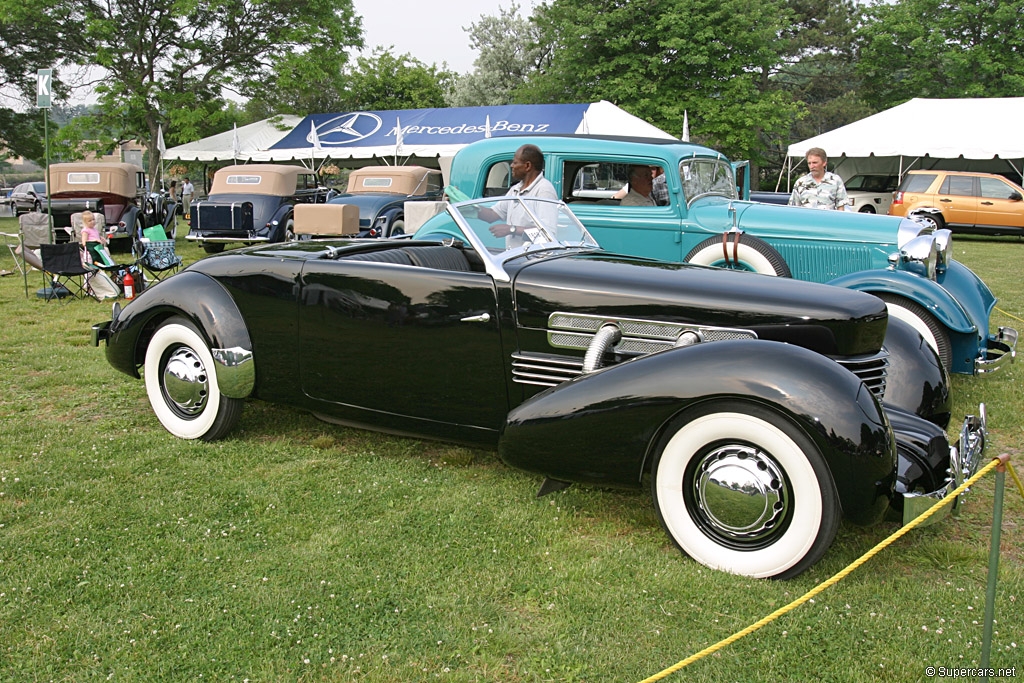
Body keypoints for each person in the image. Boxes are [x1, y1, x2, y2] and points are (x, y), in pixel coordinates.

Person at [478, 144, 558, 244]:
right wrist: (467, 206)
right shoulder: (515, 189)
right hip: (514, 256)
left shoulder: (544, 190)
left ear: (527, 166)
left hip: (532, 257)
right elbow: (492, 215)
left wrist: (512, 229)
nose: (511, 166)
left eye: (515, 162)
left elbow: (548, 233)